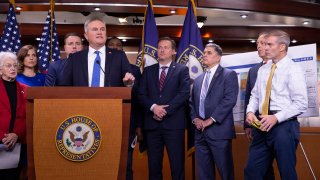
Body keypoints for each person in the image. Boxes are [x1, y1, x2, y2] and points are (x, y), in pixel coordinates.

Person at [245, 30, 308, 180]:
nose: (265, 48)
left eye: (269, 44)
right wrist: (249, 112)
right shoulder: (262, 69)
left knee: (287, 173)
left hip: (284, 127)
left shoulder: (293, 69)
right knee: (252, 171)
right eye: (264, 44)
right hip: (260, 126)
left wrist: (276, 118)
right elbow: (255, 95)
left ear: (282, 47)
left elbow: (301, 103)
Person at [139, 37, 190, 180]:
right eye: (160, 47)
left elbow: (184, 94)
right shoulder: (148, 71)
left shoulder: (182, 70)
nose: (162, 50)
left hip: (174, 125)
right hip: (152, 126)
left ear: (174, 51)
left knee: (177, 166)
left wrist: (164, 111)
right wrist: (154, 107)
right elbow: (141, 94)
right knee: (154, 167)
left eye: (166, 47)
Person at [190, 43, 239, 180]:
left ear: (218, 57)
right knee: (204, 173)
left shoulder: (229, 75)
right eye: (204, 52)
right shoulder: (199, 79)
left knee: (225, 172)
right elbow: (191, 102)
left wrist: (210, 120)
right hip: (200, 132)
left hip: (219, 131)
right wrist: (196, 119)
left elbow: (229, 100)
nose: (204, 55)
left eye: (209, 53)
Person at [61, 13, 134, 87]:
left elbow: (129, 81)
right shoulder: (74, 58)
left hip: (111, 98)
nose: (99, 32)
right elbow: (65, 86)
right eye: (95, 29)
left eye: (102, 29)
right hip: (81, 98)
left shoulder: (119, 56)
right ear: (86, 36)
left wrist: (128, 83)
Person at [106, 37, 143, 180]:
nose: (115, 47)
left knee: (126, 163)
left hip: (128, 122)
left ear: (122, 49)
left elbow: (139, 99)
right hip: (104, 120)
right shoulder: (100, 65)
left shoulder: (133, 70)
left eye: (118, 45)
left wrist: (139, 126)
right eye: (111, 45)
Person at [243, 32, 275, 180]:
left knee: (283, 167)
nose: (259, 47)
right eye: (257, 44)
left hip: (279, 124)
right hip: (257, 126)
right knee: (259, 168)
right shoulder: (254, 70)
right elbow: (250, 96)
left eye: (262, 43)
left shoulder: (282, 67)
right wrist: (247, 124)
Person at [0, 52, 27, 180]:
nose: (12, 68)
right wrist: (3, 137)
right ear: (0, 69)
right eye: (8, 66)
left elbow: (28, 116)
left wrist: (16, 134)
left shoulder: (25, 89)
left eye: (15, 65)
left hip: (17, 144)